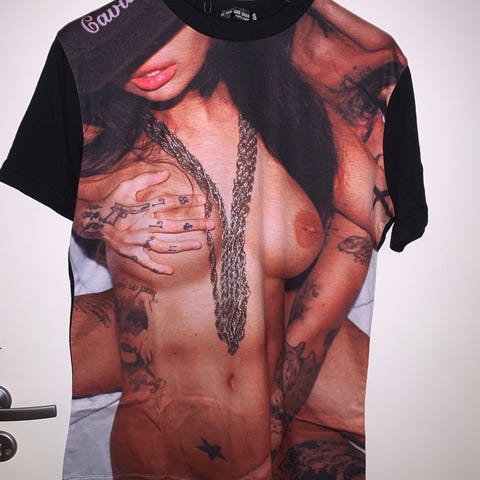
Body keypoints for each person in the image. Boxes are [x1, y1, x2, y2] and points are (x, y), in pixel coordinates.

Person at [1, 1, 428, 479]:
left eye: (157, 34)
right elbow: (37, 228)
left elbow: (382, 213)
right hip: (158, 457)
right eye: (118, 50)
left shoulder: (300, 117)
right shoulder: (100, 132)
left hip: (270, 449)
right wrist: (103, 218)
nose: (142, 60)